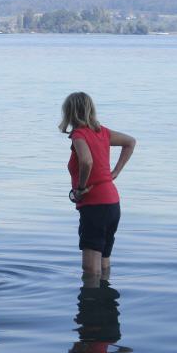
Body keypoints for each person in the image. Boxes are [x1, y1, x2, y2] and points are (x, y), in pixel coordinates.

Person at [59, 92, 136, 276]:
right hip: (112, 204)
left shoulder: (79, 135)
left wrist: (80, 188)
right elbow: (130, 142)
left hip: (94, 205)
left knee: (90, 268)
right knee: (103, 261)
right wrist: (115, 173)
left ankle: (92, 301)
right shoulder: (103, 132)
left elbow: (86, 161)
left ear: (69, 112)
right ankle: (105, 299)